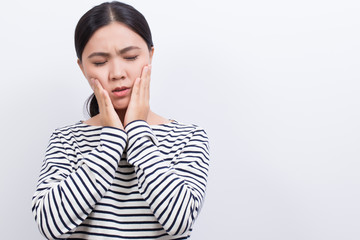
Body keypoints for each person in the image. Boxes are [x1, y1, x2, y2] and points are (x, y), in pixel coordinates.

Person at [31, 1, 210, 239]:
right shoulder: (67, 139)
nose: (117, 73)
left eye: (130, 57)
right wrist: (111, 143)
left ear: (150, 56)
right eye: (99, 62)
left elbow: (179, 221)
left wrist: (137, 130)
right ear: (82, 68)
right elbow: (49, 225)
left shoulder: (189, 138)